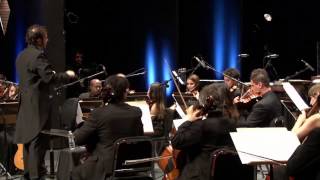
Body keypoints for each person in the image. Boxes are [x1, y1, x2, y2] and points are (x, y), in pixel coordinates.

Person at [14, 24, 75, 180]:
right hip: (37, 107)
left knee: (29, 142)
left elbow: (36, 77)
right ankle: (36, 176)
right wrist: (66, 75)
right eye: (46, 38)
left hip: (26, 105)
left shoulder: (21, 56)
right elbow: (49, 77)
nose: (47, 41)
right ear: (39, 39)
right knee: (38, 144)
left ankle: (28, 174)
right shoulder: (37, 56)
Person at [71, 75, 144, 180]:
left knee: (74, 173)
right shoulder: (136, 112)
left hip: (106, 167)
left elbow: (77, 138)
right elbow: (140, 137)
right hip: (131, 164)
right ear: (125, 92)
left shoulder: (98, 113)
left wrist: (80, 125)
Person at [171, 84, 237, 179]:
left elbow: (176, 141)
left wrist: (188, 119)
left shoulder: (202, 126)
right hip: (228, 175)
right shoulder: (234, 123)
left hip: (200, 175)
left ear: (207, 102)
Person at [147, 82, 174, 153]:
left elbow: (149, 123)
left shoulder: (154, 106)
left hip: (155, 134)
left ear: (153, 92)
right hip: (158, 133)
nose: (147, 91)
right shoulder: (158, 104)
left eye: (149, 90)